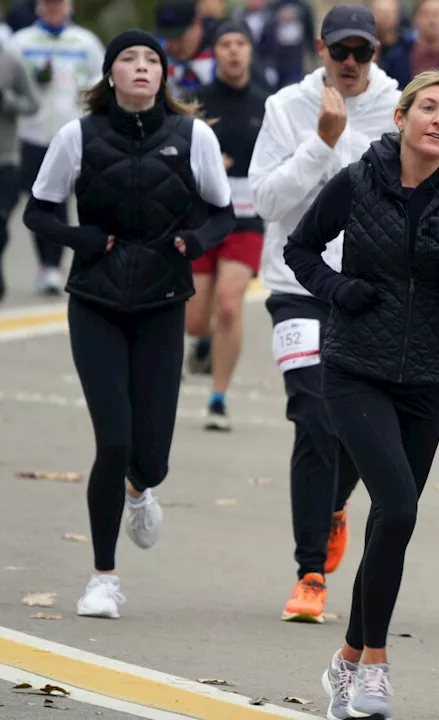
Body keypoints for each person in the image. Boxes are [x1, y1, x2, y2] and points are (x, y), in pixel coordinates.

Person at [284, 69, 439, 720]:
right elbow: (300, 250)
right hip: (354, 368)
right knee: (401, 508)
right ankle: (376, 663)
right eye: (429, 108)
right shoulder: (357, 180)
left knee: (390, 521)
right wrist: (336, 291)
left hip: (427, 382)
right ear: (400, 118)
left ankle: (347, 658)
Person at [22, 29, 233, 619]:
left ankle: (141, 492)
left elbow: (223, 213)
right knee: (113, 440)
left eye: (151, 60)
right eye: (128, 59)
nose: (141, 67)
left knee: (153, 455)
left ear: (164, 77)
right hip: (95, 301)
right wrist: (80, 238)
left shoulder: (193, 137)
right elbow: (38, 211)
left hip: (164, 302)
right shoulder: (77, 135)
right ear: (109, 74)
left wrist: (194, 241)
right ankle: (103, 578)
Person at [247, 3, 400, 623]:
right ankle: (310, 572)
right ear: (321, 48)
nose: (351, 64)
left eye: (363, 52)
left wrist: (341, 150)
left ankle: (333, 505)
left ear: (377, 52)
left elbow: (392, 190)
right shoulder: (285, 107)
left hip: (367, 291)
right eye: (341, 51)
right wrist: (320, 144)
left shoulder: (397, 109)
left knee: (357, 429)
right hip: (294, 282)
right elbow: (268, 200)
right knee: (312, 413)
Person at [184, 19, 270, 429]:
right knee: (195, 318)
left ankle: (218, 397)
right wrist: (205, 167)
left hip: (247, 217)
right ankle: (201, 341)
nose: (233, 51)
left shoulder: (267, 104)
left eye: (240, 43)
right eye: (225, 44)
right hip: (202, 215)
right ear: (213, 52)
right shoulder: (194, 102)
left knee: (230, 307)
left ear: (251, 51)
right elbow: (172, 154)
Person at [6, 0, 104, 295]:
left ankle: (57, 264)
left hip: (70, 133)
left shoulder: (84, 41)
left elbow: (101, 77)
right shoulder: (20, 42)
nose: (53, 9)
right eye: (48, 4)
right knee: (38, 200)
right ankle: (43, 264)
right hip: (30, 133)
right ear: (38, 7)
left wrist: (85, 98)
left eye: (58, 4)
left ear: (69, 7)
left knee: (67, 200)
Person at [0, 41, 40, 303]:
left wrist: (8, 101)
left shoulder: (11, 62)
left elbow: (33, 103)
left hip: (6, 157)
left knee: (0, 221)